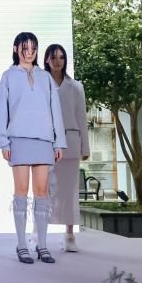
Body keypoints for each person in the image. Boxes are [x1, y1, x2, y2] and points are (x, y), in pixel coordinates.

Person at [0, 32, 67, 265]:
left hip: (43, 140)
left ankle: (42, 245)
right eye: (25, 48)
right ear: (16, 48)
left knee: (42, 192)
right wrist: (3, 141)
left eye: (33, 48)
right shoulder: (8, 76)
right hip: (18, 139)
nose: (30, 52)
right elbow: (1, 110)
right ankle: (21, 245)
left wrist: (59, 141)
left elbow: (55, 110)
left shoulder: (45, 77)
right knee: (21, 192)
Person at [44, 44, 90, 252]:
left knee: (70, 191)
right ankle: (38, 232)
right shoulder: (40, 84)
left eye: (61, 57)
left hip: (71, 143)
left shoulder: (76, 87)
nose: (57, 61)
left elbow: (81, 118)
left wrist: (85, 148)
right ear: (46, 60)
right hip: (45, 144)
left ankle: (69, 234)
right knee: (43, 189)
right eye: (53, 57)